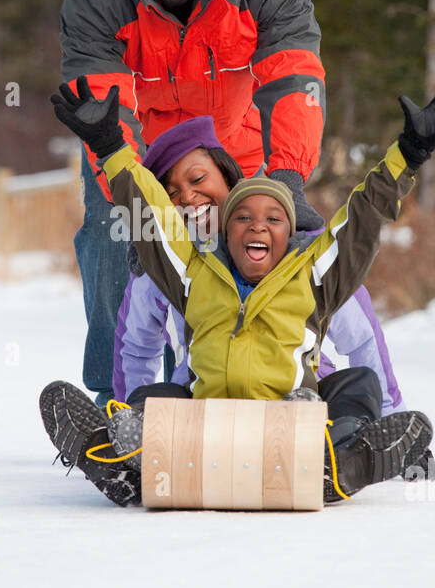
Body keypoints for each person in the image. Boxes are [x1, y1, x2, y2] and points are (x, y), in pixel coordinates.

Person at [40, 78, 435, 507]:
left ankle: (337, 459)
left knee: (358, 383)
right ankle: (125, 461)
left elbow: (363, 219)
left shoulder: (313, 276)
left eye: (273, 219)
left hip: (293, 420)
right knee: (153, 398)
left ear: (292, 232)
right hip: (208, 424)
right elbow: (152, 222)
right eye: (243, 217)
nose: (257, 225)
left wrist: (408, 154)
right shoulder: (191, 273)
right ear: (228, 227)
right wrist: (110, 146)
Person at [60, 0, 325, 404]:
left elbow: (294, 78)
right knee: (116, 244)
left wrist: (287, 179)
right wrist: (137, 203)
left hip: (239, 148)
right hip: (142, 155)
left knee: (262, 254)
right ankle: (120, 403)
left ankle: (271, 389)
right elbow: (105, 115)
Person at [112, 116, 407, 425]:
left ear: (227, 176)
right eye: (171, 193)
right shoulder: (165, 270)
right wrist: (126, 414)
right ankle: (131, 447)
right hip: (206, 403)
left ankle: (347, 448)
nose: (186, 197)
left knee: (357, 387)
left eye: (197, 179)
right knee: (152, 400)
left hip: (300, 396)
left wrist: (389, 419)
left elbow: (361, 339)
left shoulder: (304, 259)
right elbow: (135, 348)